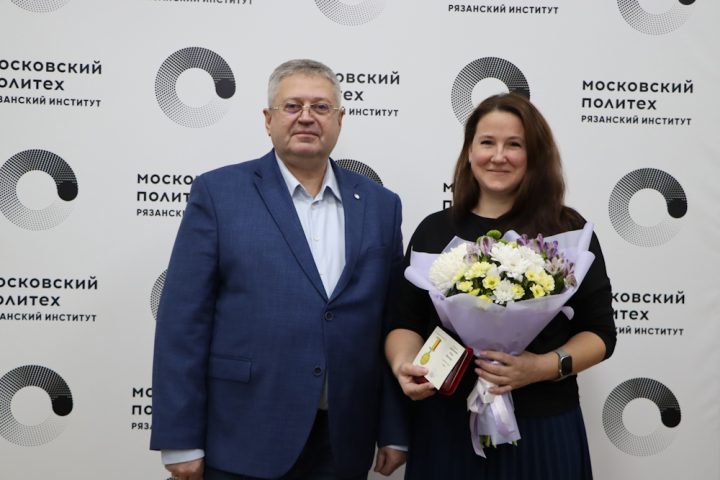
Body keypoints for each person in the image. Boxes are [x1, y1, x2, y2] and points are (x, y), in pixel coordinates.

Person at [151, 59, 407, 480]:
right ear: (268, 120)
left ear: (340, 120)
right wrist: (180, 438)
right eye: (292, 106)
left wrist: (394, 429)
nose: (306, 117)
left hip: (343, 441)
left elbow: (392, 322)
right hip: (242, 436)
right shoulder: (218, 193)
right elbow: (183, 322)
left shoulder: (381, 205)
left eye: (321, 107)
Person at [385, 93, 616, 479]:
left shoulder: (567, 232)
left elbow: (600, 333)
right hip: (446, 427)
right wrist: (404, 365)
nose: (498, 156)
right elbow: (404, 322)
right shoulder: (434, 230)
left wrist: (540, 367)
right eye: (487, 142)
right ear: (469, 151)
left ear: (534, 154)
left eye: (514, 145)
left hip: (542, 428)